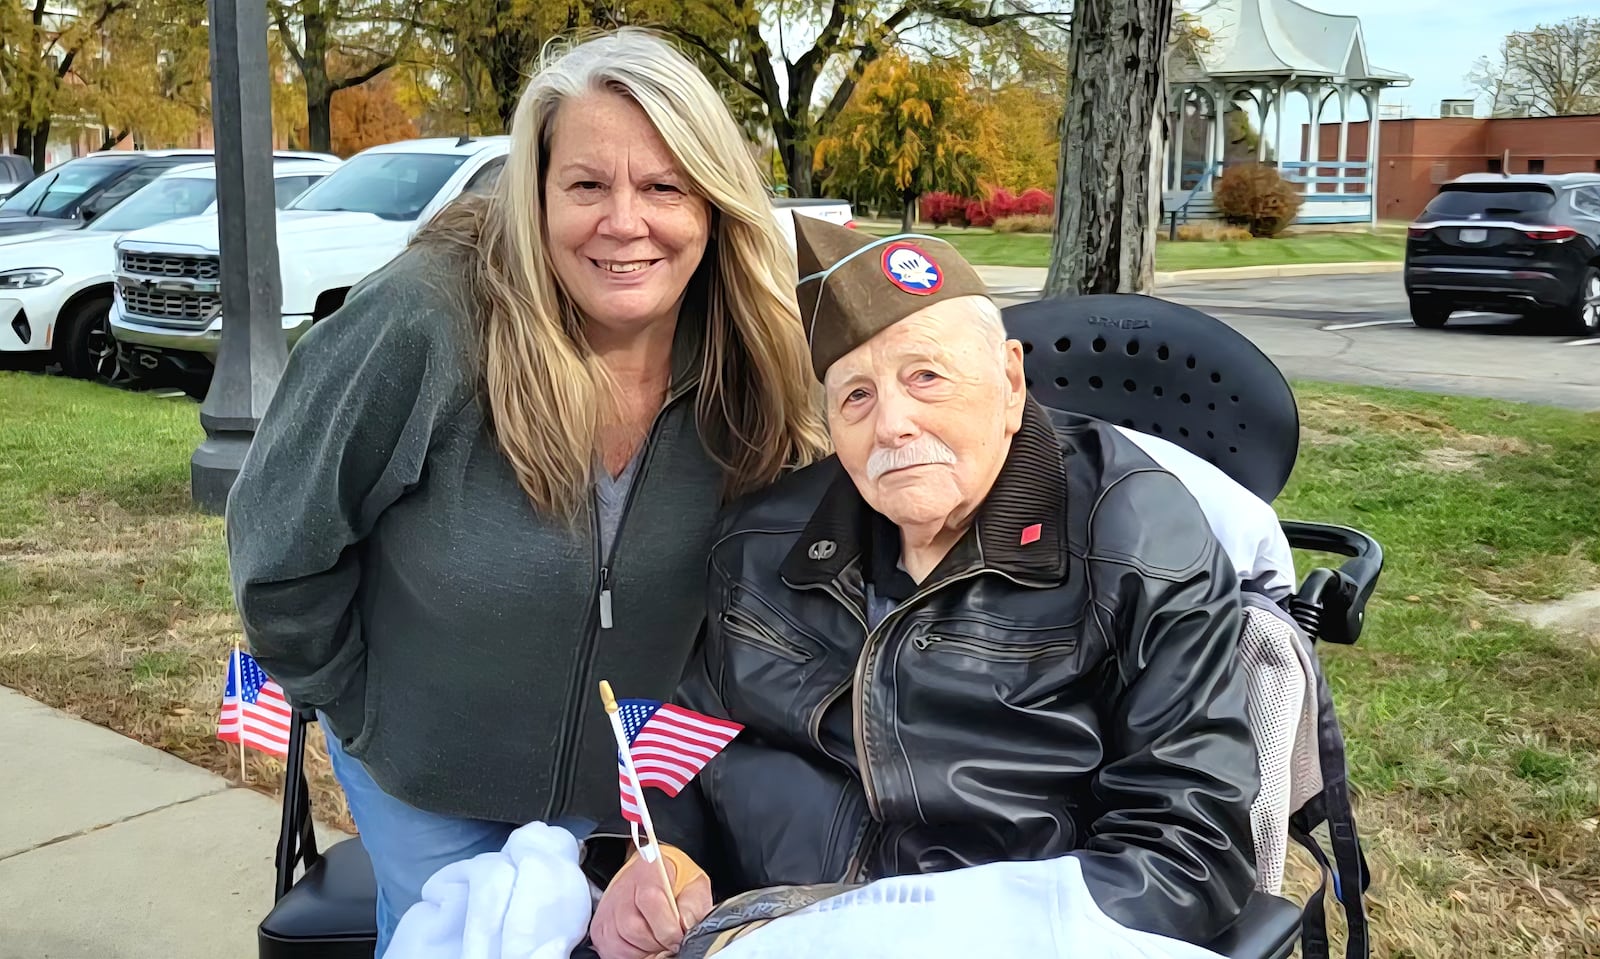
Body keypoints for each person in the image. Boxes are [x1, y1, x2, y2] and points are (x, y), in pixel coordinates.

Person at [223, 27, 828, 955]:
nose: (624, 222)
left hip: (639, 796)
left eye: (664, 187)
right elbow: (280, 546)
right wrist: (361, 704)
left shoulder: (752, 352)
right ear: (537, 193)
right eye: (587, 185)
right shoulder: (427, 320)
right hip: (432, 784)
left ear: (713, 203)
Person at [582, 218, 1262, 959]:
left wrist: (927, 934)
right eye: (856, 396)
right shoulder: (761, 541)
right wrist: (658, 859)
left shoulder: (1136, 541)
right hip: (756, 928)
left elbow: (1187, 849)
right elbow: (683, 744)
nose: (893, 426)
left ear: (1009, 381)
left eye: (926, 377)